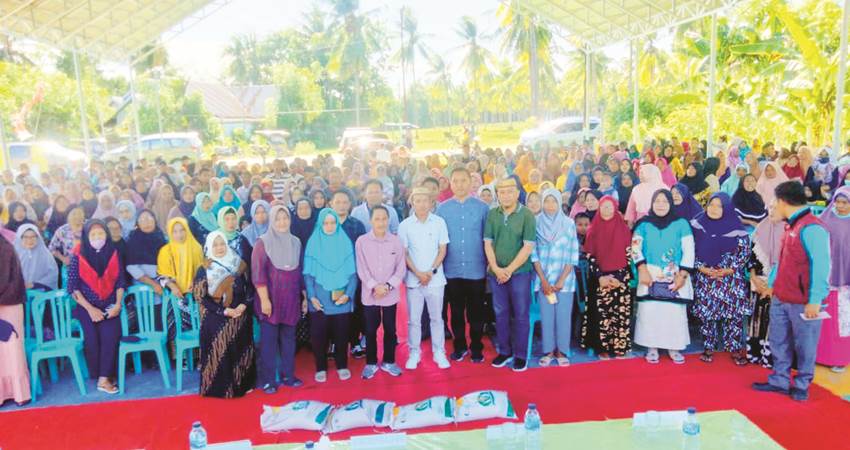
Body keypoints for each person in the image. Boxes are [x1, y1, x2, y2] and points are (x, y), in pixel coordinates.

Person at [753, 181, 831, 402]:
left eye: (774, 202)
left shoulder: (812, 228)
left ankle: (802, 384)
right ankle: (779, 379)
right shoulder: (790, 226)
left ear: (782, 201)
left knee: (805, 344)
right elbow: (781, 261)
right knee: (779, 340)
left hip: (802, 301)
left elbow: (822, 266)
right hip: (781, 296)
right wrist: (771, 284)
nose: (772, 207)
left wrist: (815, 300)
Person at [632, 190, 695, 364]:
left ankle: (674, 347)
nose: (660, 205)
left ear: (671, 203)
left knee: (672, 312)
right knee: (651, 311)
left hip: (675, 275)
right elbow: (635, 248)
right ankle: (651, 347)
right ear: (651, 203)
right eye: (657, 201)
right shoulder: (643, 224)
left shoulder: (681, 224)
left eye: (664, 201)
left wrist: (682, 275)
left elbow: (689, 249)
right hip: (649, 274)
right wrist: (642, 269)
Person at [691, 193, 752, 365]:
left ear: (726, 208)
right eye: (711, 204)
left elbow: (744, 252)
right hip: (706, 274)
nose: (714, 209)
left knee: (734, 314)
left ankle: (733, 347)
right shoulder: (697, 224)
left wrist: (729, 269)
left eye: (719, 206)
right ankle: (709, 346)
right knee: (707, 313)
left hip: (730, 277)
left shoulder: (737, 227)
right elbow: (689, 248)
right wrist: (701, 267)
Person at [436, 168, 490, 363]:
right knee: (456, 312)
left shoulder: (482, 208)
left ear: (470, 182)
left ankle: (476, 347)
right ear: (451, 183)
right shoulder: (442, 208)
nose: (459, 185)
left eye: (463, 181)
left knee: (476, 312)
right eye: (456, 181)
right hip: (452, 269)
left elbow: (487, 238)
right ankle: (459, 347)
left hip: (476, 269)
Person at [193, 231, 256, 398]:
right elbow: (201, 297)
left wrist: (244, 305)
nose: (219, 248)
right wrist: (224, 311)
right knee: (220, 334)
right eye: (215, 244)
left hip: (240, 311)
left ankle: (243, 384)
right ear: (209, 247)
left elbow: (250, 288)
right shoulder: (204, 268)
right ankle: (221, 387)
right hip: (216, 314)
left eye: (222, 244)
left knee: (241, 328)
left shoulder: (238, 263)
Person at [68, 219, 127, 394]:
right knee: (92, 339)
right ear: (86, 236)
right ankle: (102, 374)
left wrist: (117, 304)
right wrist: (91, 309)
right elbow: (73, 287)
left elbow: (120, 282)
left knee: (110, 335)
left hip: (110, 305)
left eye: (100, 233)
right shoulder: (78, 255)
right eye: (93, 234)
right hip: (86, 307)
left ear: (106, 234)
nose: (97, 237)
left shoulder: (114, 252)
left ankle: (103, 379)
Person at [484, 177, 536, 372]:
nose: (505, 195)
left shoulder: (527, 215)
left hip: (520, 273)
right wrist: (496, 268)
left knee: (521, 314)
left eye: (509, 191)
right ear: (498, 194)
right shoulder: (492, 214)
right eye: (501, 192)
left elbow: (528, 247)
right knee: (500, 312)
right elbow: (488, 243)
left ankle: (520, 355)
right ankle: (505, 351)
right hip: (496, 273)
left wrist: (509, 270)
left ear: (516, 193)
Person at [252, 205, 305, 393]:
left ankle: (288, 375)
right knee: (269, 342)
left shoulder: (296, 242)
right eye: (278, 219)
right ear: (272, 221)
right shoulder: (262, 243)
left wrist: (304, 297)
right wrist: (265, 300)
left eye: (285, 218)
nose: (282, 222)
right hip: (270, 300)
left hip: (290, 299)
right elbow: (258, 275)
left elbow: (298, 272)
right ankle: (268, 380)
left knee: (289, 340)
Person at [303, 208, 358, 382]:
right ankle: (321, 367)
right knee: (319, 337)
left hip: (341, 300)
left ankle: (342, 364)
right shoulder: (313, 242)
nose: (329, 226)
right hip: (319, 300)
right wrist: (312, 297)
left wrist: (348, 295)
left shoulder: (345, 241)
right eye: (326, 223)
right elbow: (308, 275)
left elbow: (353, 274)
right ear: (320, 223)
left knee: (342, 335)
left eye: (332, 222)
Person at [398, 187, 450, 370]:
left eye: (425, 200)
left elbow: (442, 249)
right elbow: (404, 253)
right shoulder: (404, 225)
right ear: (412, 202)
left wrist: (430, 271)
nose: (421, 204)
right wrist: (419, 273)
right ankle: (414, 352)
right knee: (414, 320)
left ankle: (439, 352)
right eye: (417, 200)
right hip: (414, 280)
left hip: (435, 279)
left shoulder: (439, 223)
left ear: (431, 203)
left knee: (437, 318)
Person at [355, 206, 406, 379]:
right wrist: (374, 286)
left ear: (389, 220)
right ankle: (370, 363)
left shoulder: (396, 241)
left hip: (389, 294)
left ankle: (389, 361)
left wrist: (387, 287)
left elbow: (401, 268)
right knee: (370, 329)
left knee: (391, 329)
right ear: (371, 221)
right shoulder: (361, 241)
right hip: (370, 294)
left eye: (384, 219)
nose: (381, 222)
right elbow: (361, 269)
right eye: (377, 219)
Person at [531, 188, 579, 367]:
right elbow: (533, 254)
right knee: (547, 315)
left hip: (564, 280)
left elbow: (573, 253)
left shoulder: (568, 223)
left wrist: (561, 280)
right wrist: (543, 279)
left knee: (563, 315)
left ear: (559, 203)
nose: (550, 206)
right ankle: (549, 350)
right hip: (543, 280)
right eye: (547, 201)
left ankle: (562, 351)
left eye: (554, 202)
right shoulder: (535, 223)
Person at [581, 196, 633, 358]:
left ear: (616, 208)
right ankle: (601, 347)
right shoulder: (593, 229)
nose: (607, 210)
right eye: (604, 207)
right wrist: (601, 277)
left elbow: (630, 256)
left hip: (620, 279)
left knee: (620, 312)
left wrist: (619, 277)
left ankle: (619, 346)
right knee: (601, 313)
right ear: (599, 208)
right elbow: (589, 255)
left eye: (610, 207)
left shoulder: (624, 229)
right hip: (599, 279)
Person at [816, 186, 850, 371]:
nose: (840, 206)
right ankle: (820, 355)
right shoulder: (825, 219)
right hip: (826, 279)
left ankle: (839, 358)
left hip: (845, 284)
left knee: (842, 322)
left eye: (845, 202)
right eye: (837, 201)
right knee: (824, 319)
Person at [330, 189, 368, 359]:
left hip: (353, 275)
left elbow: (362, 252)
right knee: (333, 308)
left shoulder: (357, 225)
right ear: (331, 204)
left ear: (350, 205)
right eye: (338, 202)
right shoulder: (325, 224)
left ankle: (355, 342)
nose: (341, 205)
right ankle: (333, 343)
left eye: (345, 202)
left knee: (355, 309)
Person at [0, 234, 30, 406]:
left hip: (9, 303)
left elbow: (4, 280)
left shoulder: (5, 248)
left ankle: (19, 393)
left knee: (12, 349)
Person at [14, 224, 59, 291]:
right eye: (25, 237)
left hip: (40, 293)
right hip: (16, 293)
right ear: (20, 238)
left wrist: (34, 284)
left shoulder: (45, 254)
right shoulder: (13, 254)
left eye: (33, 237)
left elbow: (53, 274)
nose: (29, 240)